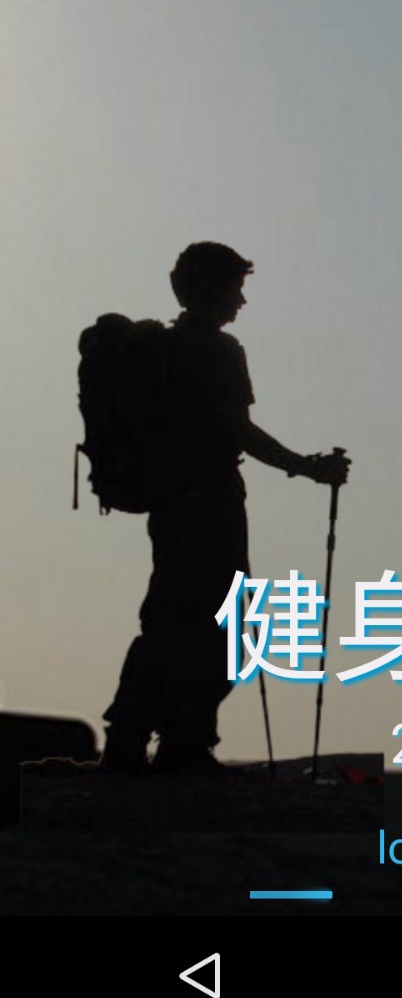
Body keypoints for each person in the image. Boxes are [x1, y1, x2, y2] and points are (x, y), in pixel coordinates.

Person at [101, 242, 350, 774]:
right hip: (211, 502)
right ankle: (185, 746)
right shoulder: (218, 351)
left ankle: (130, 740)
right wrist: (307, 467)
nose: (241, 300)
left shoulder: (161, 350)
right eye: (235, 288)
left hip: (170, 504)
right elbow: (238, 430)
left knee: (168, 619)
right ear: (212, 289)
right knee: (225, 624)